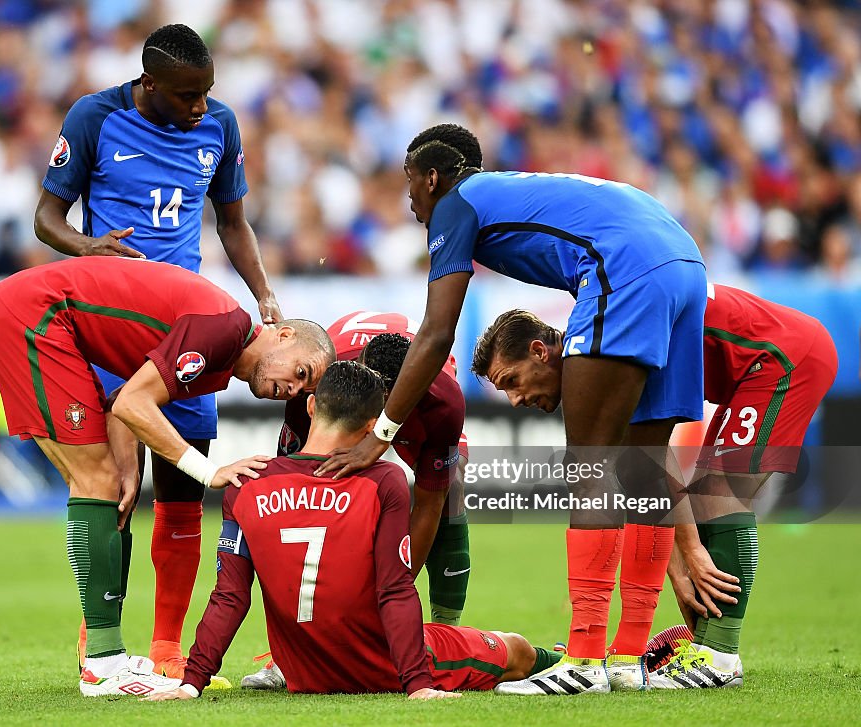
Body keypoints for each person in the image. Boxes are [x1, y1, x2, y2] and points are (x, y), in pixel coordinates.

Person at [317, 123, 708, 695]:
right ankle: (628, 659)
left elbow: (434, 333)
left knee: (590, 467)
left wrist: (383, 431)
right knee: (645, 461)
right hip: (684, 263)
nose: (410, 200)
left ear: (432, 176)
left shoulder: (455, 202)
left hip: (623, 264)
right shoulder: (511, 189)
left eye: (410, 184)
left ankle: (584, 659)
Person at [34, 23, 281, 677]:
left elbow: (232, 221)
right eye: (186, 95)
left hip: (184, 334)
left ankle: (168, 651)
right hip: (110, 328)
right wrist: (88, 248)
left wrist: (264, 296)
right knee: (113, 490)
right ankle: (103, 642)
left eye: (206, 93)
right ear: (148, 84)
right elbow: (46, 217)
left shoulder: (220, 125)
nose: (199, 106)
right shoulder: (95, 116)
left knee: (179, 491)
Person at [0, 256, 333, 696]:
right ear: (283, 333)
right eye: (301, 372)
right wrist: (208, 469)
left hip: (33, 313)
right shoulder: (224, 329)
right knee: (96, 483)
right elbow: (133, 405)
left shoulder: (224, 350)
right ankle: (103, 664)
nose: (294, 389)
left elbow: (126, 391)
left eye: (304, 388)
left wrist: (128, 466)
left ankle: (107, 656)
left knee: (109, 487)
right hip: (35, 316)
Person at [470, 284, 837, 689]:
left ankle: (719, 657)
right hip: (758, 364)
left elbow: (648, 456)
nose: (514, 400)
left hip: (784, 357)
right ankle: (704, 647)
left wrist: (691, 551)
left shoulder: (601, 351)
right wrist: (680, 565)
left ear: (540, 351)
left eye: (511, 381)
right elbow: (650, 460)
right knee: (699, 498)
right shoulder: (594, 342)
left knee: (719, 492)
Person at [145, 361, 562, 702]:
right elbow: (395, 589)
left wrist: (191, 681)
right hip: (382, 661)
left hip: (300, 670)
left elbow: (230, 596)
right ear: (372, 429)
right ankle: (561, 661)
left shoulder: (247, 484)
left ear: (310, 408)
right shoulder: (383, 481)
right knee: (518, 650)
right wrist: (417, 683)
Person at [243, 316, 471, 690]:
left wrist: (386, 608)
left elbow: (427, 507)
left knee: (449, 491)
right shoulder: (320, 384)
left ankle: (442, 634)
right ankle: (291, 653)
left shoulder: (442, 403)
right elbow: (294, 499)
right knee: (311, 491)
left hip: (419, 379)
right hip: (349, 353)